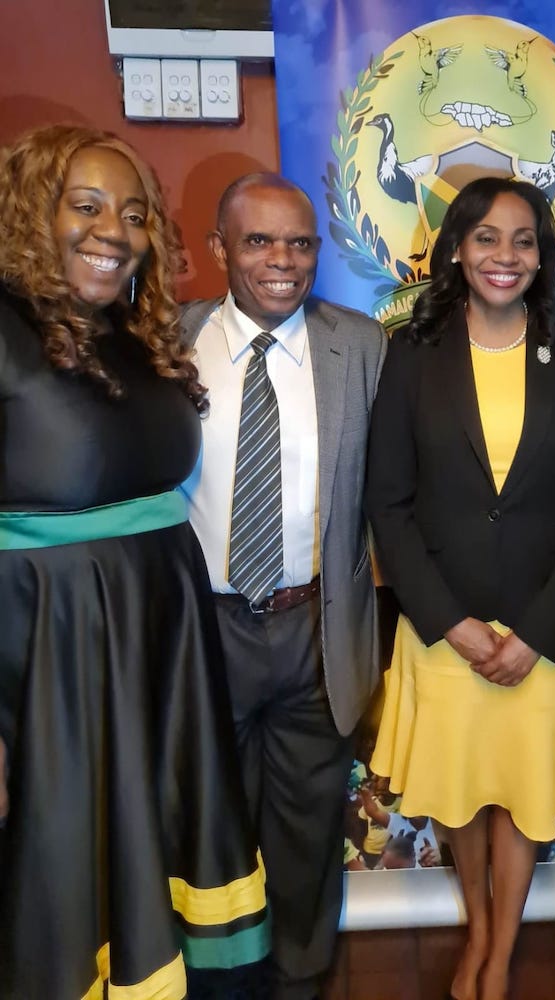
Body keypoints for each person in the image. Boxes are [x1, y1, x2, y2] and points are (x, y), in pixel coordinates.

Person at [0, 125, 269, 1000]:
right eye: (85, 207)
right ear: (31, 212)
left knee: (151, 858)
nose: (113, 231)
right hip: (49, 660)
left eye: (133, 213)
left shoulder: (137, 334)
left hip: (159, 646)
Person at [366, 176, 555, 1000]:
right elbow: (388, 506)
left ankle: (501, 954)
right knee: (464, 797)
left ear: (543, 255)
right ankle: (476, 929)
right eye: (486, 238)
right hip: (445, 628)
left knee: (519, 798)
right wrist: (454, 626)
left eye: (523, 240)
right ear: (458, 250)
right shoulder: (412, 353)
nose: (504, 256)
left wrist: (542, 631)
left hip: (543, 628)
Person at [179, 172, 387, 1000]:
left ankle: (300, 979)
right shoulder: (166, 336)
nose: (283, 260)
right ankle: (217, 979)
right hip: (203, 628)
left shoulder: (363, 346)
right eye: (259, 240)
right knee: (207, 819)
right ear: (219, 249)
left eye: (300, 242)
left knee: (306, 828)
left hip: (315, 628)